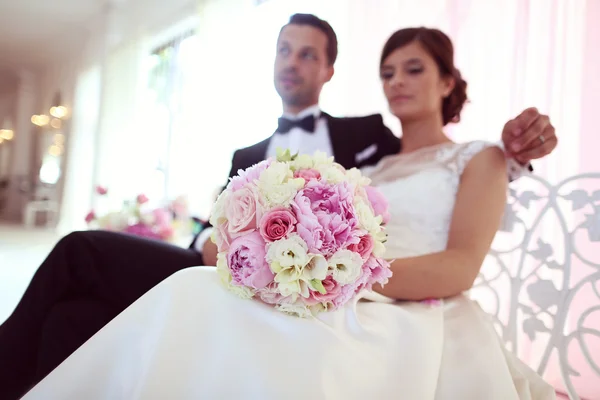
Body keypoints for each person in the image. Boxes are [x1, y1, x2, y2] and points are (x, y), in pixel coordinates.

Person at [0, 14, 557, 400]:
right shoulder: (372, 169)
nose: (396, 83)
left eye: (414, 69)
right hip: (277, 268)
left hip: (365, 288)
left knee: (109, 264)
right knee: (74, 317)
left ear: (448, 80)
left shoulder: (397, 145)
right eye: (387, 72)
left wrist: (518, 149)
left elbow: (457, 257)